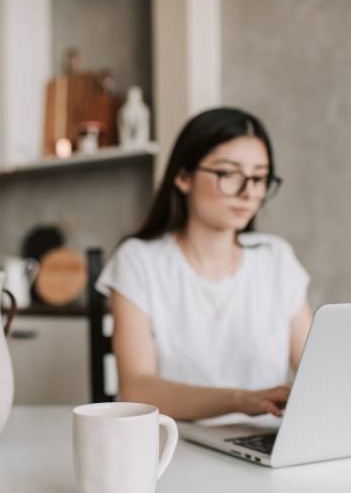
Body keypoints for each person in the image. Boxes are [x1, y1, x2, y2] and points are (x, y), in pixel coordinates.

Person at [95, 107, 313, 421]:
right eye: (228, 174)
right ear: (183, 177)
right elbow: (137, 388)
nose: (248, 191)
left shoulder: (276, 259)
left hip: (263, 445)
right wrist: (240, 400)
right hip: (173, 446)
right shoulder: (138, 261)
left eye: (260, 177)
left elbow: (314, 372)